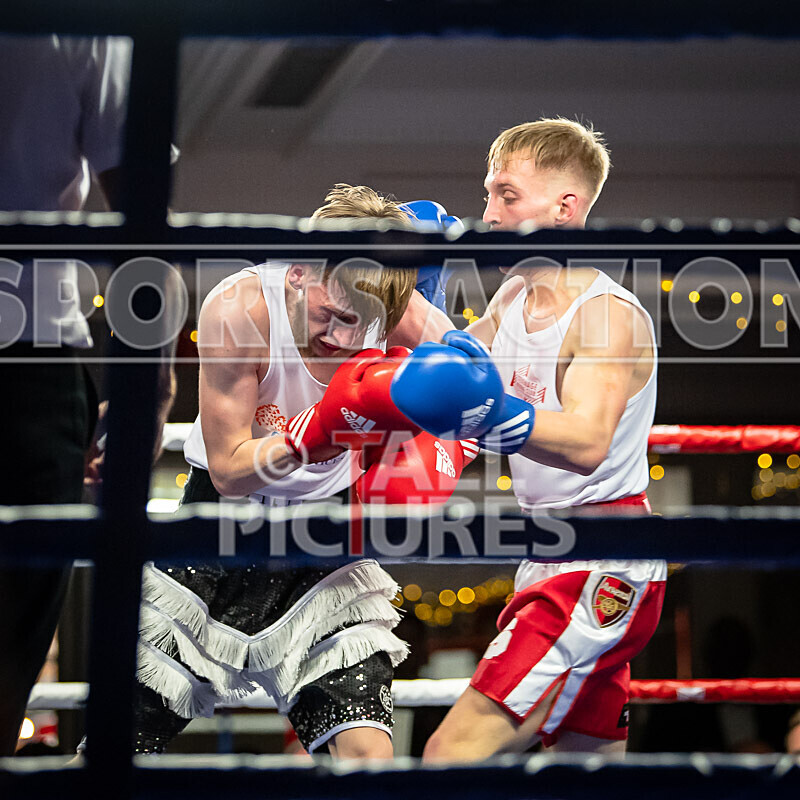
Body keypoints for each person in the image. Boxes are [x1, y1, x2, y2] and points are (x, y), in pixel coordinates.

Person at [133, 185, 466, 759]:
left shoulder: (389, 302)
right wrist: (312, 436)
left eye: (357, 325)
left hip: (324, 545)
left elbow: (484, 373)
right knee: (119, 743)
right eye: (330, 315)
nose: (340, 336)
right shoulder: (238, 310)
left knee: (367, 756)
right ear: (299, 272)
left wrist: (449, 440)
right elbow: (230, 469)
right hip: (220, 532)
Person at [391, 119, 666, 760]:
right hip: (548, 553)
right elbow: (464, 367)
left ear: (564, 209)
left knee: (450, 754)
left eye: (507, 195)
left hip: (602, 557)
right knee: (583, 769)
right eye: (489, 194)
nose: (487, 214)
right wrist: (393, 289)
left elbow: (589, 439)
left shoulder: (606, 315)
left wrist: (490, 415)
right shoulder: (514, 295)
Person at [0, 34, 132, 756]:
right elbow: (138, 206)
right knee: (11, 634)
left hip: (34, 358)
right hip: (28, 358)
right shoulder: (84, 21)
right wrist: (153, 381)